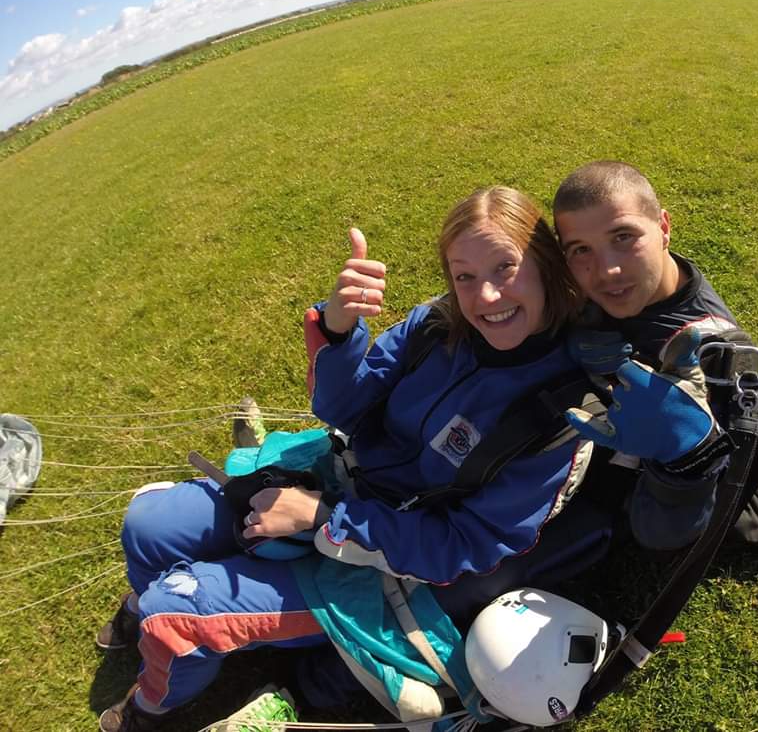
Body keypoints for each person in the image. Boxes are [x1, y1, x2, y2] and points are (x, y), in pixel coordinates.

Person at [95, 186, 601, 731]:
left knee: (172, 615)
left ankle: (149, 708)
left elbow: (467, 546)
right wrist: (338, 329)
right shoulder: (437, 325)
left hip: (384, 563)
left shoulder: (558, 412)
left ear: (547, 267)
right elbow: (342, 406)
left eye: (506, 268)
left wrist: (318, 517)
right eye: (464, 276)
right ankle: (160, 612)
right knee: (148, 525)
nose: (487, 297)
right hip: (330, 481)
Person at [553, 160, 758, 553]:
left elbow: (665, 534)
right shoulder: (589, 286)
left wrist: (686, 458)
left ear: (665, 229)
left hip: (622, 501)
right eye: (581, 249)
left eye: (623, 236)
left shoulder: (716, 354)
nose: (607, 270)